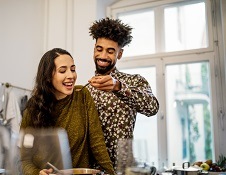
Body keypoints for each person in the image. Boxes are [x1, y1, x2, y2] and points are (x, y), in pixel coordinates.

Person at [20, 48, 115, 175]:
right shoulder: (33, 107)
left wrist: (111, 173)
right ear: (48, 76)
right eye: (63, 71)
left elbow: (97, 144)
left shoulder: (82, 95)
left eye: (73, 69)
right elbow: (24, 158)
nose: (71, 76)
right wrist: (37, 173)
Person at [87, 17, 160, 170]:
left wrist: (119, 87)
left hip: (123, 168)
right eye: (99, 49)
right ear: (94, 49)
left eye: (110, 51)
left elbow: (152, 107)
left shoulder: (135, 82)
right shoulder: (85, 90)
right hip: (91, 169)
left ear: (119, 54)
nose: (103, 56)